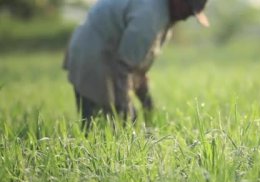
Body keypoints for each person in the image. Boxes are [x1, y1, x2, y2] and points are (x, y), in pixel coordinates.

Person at [63, 0, 209, 127]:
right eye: (188, 10)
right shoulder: (150, 16)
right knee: (99, 127)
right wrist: (126, 112)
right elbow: (124, 68)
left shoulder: (161, 14)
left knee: (117, 124)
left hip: (104, 55)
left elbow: (138, 68)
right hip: (92, 56)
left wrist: (148, 105)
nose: (186, 18)